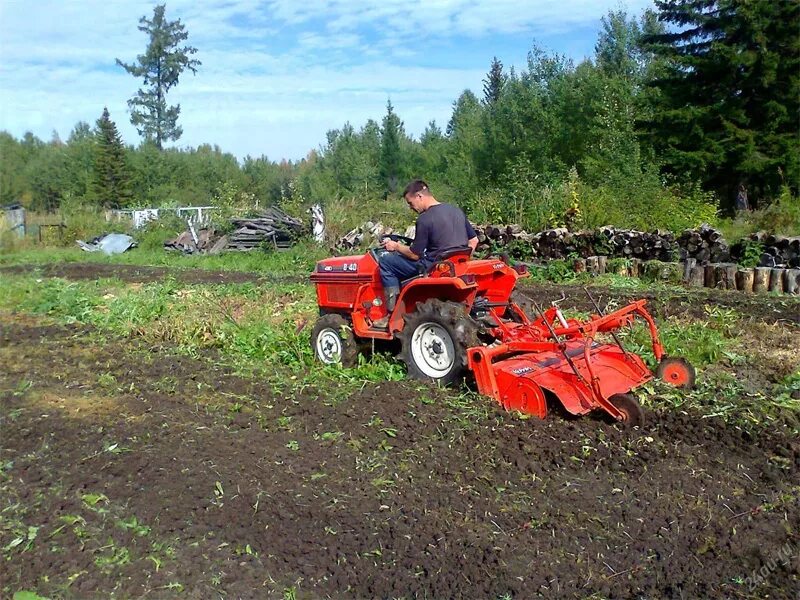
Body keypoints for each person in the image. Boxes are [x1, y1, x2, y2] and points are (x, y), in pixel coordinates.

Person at [374, 180, 478, 327]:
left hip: (432, 266)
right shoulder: (456, 211)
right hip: (456, 265)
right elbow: (473, 240)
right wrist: (464, 258)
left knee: (386, 262)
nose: (411, 208)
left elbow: (414, 255)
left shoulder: (425, 219)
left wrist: (396, 246)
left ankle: (390, 315)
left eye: (410, 203)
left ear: (419, 196)